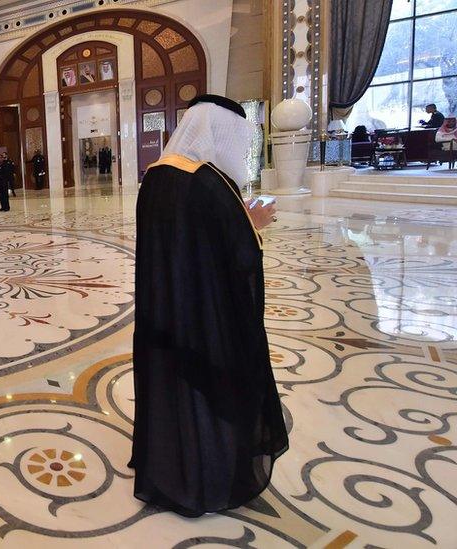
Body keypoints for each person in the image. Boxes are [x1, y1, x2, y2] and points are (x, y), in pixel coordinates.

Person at [131, 94, 287, 518]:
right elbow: (238, 255)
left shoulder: (157, 175)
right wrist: (253, 224)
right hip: (203, 316)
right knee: (207, 389)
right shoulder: (207, 182)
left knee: (171, 387)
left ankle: (167, 466)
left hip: (165, 313)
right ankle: (204, 475)